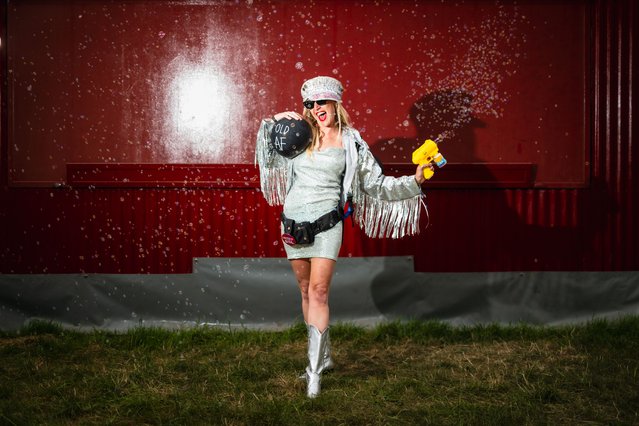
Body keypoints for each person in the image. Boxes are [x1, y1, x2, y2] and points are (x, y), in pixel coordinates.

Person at [255, 76, 428, 398]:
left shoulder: (351, 141)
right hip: (292, 223)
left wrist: (414, 181)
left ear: (335, 103)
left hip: (328, 223)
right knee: (306, 291)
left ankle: (313, 374)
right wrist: (273, 121)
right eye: (310, 104)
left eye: (322, 102)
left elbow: (376, 185)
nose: (316, 109)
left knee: (319, 291)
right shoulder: (297, 135)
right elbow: (267, 157)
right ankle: (323, 356)